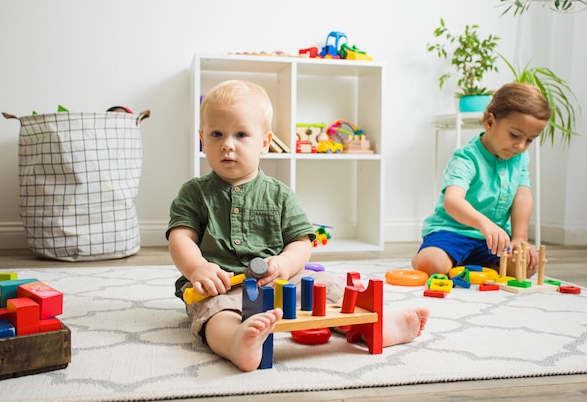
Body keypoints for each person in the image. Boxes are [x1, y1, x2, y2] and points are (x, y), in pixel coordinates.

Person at [167, 79, 429, 372]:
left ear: (265, 142)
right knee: (214, 315)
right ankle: (237, 343)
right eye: (217, 134)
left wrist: (285, 263)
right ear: (203, 139)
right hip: (221, 288)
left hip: (280, 282)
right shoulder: (194, 192)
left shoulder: (279, 194)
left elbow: (301, 243)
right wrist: (197, 269)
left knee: (327, 286)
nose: (227, 144)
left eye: (241, 134)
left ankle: (377, 324)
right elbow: (180, 237)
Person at [412, 83, 551, 279]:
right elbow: (452, 200)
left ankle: (474, 264)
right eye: (515, 135)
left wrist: (520, 238)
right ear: (490, 122)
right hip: (453, 232)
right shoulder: (466, 157)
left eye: (530, 140)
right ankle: (454, 260)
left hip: (495, 240)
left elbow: (523, 194)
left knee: (525, 267)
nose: (520, 146)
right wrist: (483, 224)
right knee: (431, 264)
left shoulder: (519, 159)